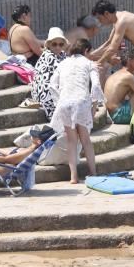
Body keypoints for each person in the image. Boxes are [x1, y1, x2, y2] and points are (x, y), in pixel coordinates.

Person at [49, 38, 104, 184]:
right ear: (86, 51)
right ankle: (93, 173)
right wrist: (94, 105)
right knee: (85, 140)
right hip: (81, 101)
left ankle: (74, 177)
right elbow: (96, 85)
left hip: (65, 102)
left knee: (71, 141)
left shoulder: (62, 63)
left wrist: (59, 101)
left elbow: (52, 85)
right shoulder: (89, 63)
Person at [30, 27, 68, 120]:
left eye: (61, 44)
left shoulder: (62, 54)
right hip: (46, 93)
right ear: (49, 45)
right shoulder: (48, 55)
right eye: (54, 44)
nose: (58, 47)